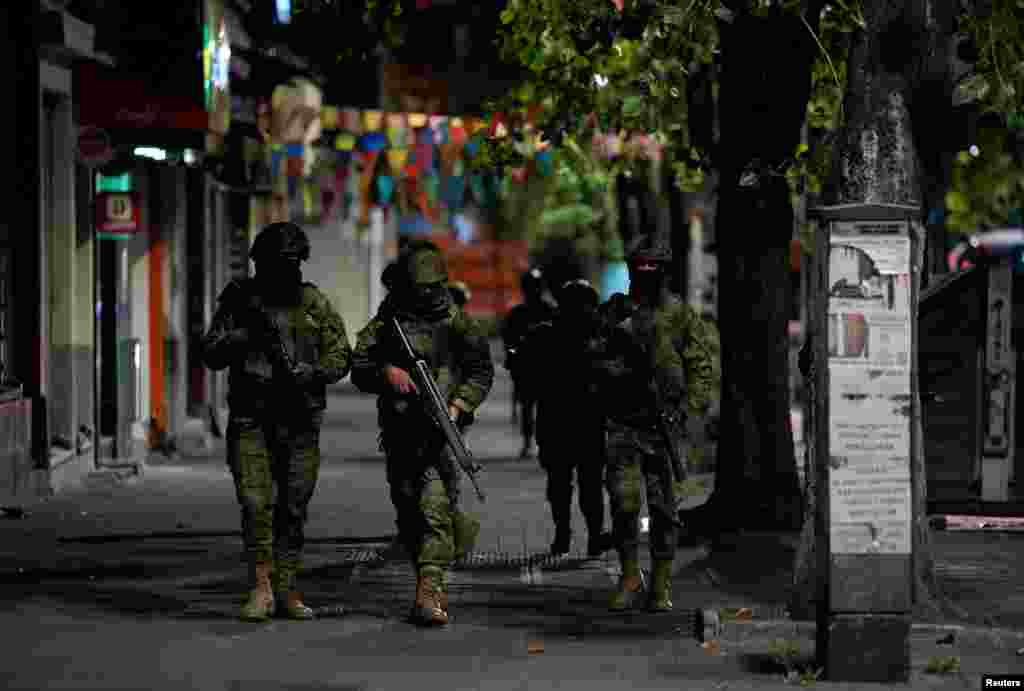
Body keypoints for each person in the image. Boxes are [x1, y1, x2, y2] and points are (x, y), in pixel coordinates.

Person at [200, 222, 352, 622]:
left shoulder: (314, 303)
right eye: (276, 263)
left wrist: (313, 372)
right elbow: (211, 351)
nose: (285, 270)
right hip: (251, 416)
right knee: (255, 503)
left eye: (291, 262)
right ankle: (261, 586)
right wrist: (245, 336)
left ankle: (286, 586)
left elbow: (341, 356)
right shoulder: (239, 301)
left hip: (300, 418)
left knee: (294, 506)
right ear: (260, 263)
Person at [351, 240, 494, 627]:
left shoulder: (458, 322)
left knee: (432, 510)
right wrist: (386, 373)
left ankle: (428, 591)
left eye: (432, 288)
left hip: (440, 438)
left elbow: (482, 371)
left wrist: (460, 404)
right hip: (400, 434)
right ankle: (434, 571)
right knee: (410, 516)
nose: (427, 295)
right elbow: (358, 362)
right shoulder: (390, 320)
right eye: (420, 288)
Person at [594, 234, 715, 612]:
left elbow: (700, 366)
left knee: (664, 509)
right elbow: (592, 359)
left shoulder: (680, 315)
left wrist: (686, 410)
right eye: (640, 267)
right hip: (624, 424)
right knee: (625, 502)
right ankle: (630, 575)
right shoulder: (616, 313)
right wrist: (617, 371)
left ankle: (661, 582)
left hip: (665, 426)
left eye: (653, 267)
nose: (646, 274)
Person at [523, 279, 613, 557]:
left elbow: (522, 371)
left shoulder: (545, 334)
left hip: (564, 420)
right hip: (580, 420)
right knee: (585, 484)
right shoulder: (600, 337)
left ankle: (569, 536)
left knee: (566, 484)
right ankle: (588, 537)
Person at [501, 268, 556, 458]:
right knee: (529, 407)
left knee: (543, 409)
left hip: (545, 368)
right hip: (526, 368)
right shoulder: (518, 313)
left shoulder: (550, 311)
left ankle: (540, 443)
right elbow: (508, 340)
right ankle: (528, 443)